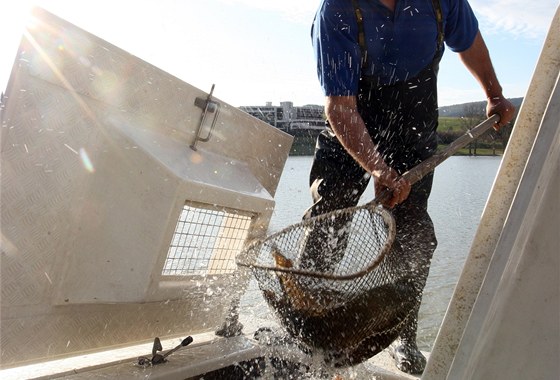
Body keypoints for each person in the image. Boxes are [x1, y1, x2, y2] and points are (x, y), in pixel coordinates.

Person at [306, 0, 515, 374]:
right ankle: (306, 322)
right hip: (350, 118)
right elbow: (340, 107)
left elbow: (469, 42)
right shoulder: (337, 9)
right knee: (329, 214)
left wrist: (495, 93)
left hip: (412, 122)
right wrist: (376, 168)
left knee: (413, 232)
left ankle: (403, 336)